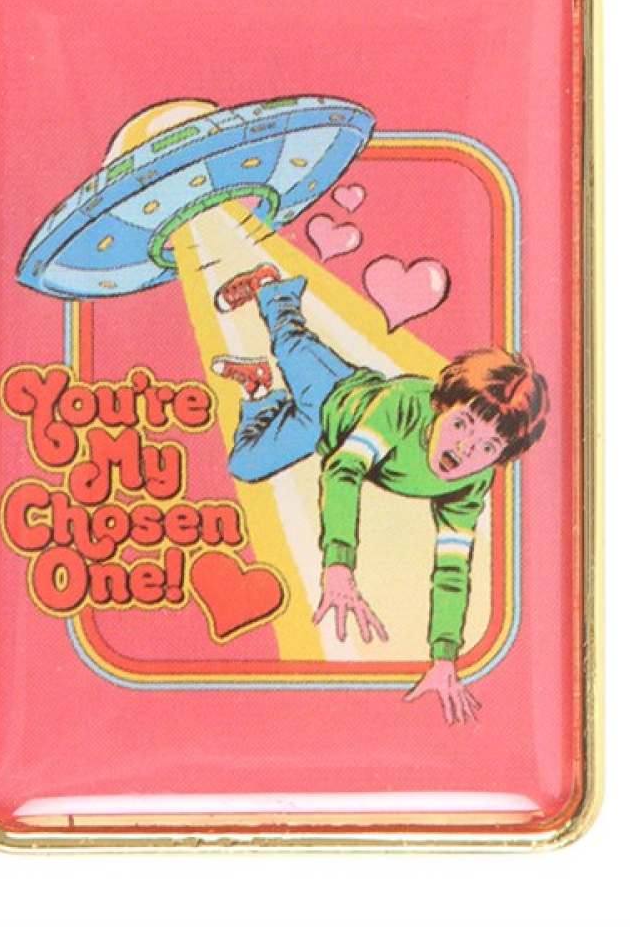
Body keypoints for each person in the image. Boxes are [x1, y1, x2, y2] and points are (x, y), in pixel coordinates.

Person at [211, 264, 549, 725]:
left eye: (489, 447)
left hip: (317, 434)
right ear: (442, 406)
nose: (466, 449)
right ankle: (274, 288)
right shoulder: (404, 403)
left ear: (501, 458)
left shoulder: (471, 483)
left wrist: (444, 658)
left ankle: (260, 391)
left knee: (244, 465)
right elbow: (344, 469)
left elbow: (453, 569)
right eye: (462, 424)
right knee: (289, 340)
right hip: (331, 392)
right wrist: (338, 567)